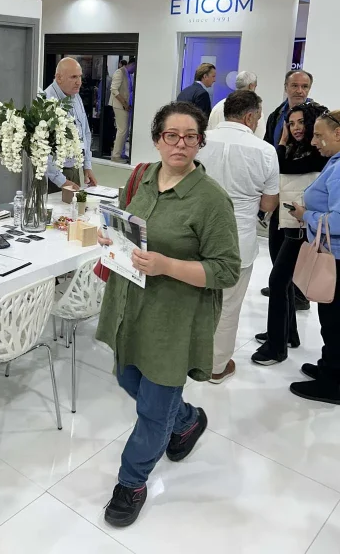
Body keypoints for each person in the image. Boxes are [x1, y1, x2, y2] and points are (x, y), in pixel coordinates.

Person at [96, 101, 241, 528]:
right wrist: (112, 239)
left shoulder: (210, 199)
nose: (180, 144)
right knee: (129, 379)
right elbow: (128, 227)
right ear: (157, 139)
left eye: (190, 137)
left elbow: (226, 269)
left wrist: (167, 266)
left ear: (200, 142)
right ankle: (188, 421)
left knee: (153, 409)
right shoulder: (141, 178)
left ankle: (132, 482)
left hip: (175, 318)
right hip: (131, 305)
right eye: (171, 135)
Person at [198, 90, 279, 383]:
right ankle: (216, 366)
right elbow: (268, 203)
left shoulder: (199, 140)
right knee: (228, 306)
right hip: (237, 239)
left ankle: (189, 356)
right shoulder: (265, 151)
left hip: (197, 235)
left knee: (194, 300)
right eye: (258, 118)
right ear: (249, 117)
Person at [252, 102, 328, 366]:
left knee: (278, 281)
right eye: (291, 123)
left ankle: (276, 347)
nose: (296, 128)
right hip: (286, 220)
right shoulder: (300, 149)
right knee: (282, 281)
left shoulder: (319, 154)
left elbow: (281, 166)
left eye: (301, 123)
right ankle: (287, 333)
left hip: (300, 226)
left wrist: (282, 143)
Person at [286, 109, 340, 405]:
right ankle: (328, 368)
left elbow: (339, 220)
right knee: (331, 318)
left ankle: (332, 383)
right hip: (333, 253)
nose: (314, 141)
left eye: (319, 135)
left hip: (336, 258)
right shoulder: (334, 161)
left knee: (334, 321)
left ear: (338, 134)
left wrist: (306, 215)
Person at [263, 69, 314, 306]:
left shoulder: (315, 115)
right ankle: (282, 285)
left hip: (303, 194)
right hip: (279, 187)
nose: (300, 91)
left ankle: (298, 293)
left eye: (304, 86)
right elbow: (268, 149)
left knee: (297, 247)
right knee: (276, 242)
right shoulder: (276, 115)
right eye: (295, 86)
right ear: (286, 87)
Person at [45, 57, 97, 191]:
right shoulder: (46, 101)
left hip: (74, 168)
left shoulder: (75, 96)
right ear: (59, 78)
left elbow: (85, 132)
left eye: (80, 77)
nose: (79, 82)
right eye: (73, 77)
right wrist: (61, 181)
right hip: (53, 176)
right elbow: (43, 149)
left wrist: (87, 166)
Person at [208, 70, 266, 138]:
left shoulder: (218, 107)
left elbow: (210, 130)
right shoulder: (255, 109)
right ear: (251, 86)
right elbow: (260, 136)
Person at [109, 57, 136, 162]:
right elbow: (114, 90)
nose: (135, 70)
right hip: (119, 105)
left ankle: (121, 153)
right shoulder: (119, 72)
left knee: (124, 131)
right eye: (135, 67)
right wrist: (124, 103)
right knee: (122, 130)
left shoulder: (129, 75)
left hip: (126, 106)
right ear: (132, 64)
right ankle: (116, 155)